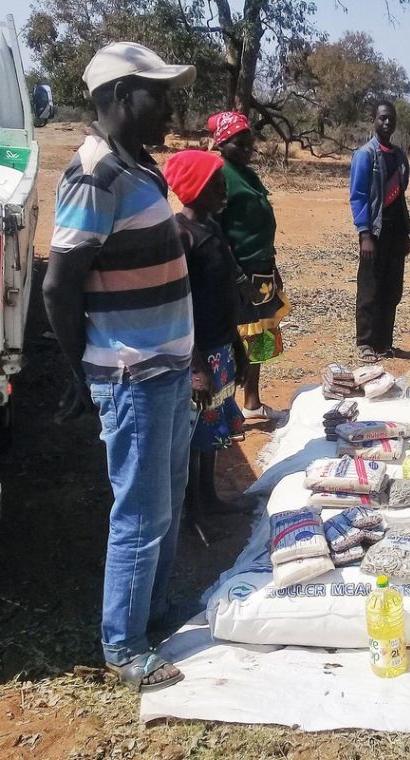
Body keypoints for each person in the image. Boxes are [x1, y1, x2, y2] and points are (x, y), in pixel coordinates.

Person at [42, 42, 197, 691]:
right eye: (154, 93)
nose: (166, 105)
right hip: (131, 372)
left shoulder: (141, 167)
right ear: (114, 98)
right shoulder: (94, 174)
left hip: (167, 366)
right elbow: (59, 285)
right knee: (140, 511)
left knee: (167, 499)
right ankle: (123, 643)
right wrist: (83, 374)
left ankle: (153, 610)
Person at [162, 150, 248, 545]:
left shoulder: (212, 228)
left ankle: (209, 497)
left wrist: (237, 346)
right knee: (194, 436)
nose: (222, 188)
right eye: (215, 182)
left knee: (212, 431)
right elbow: (181, 305)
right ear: (195, 188)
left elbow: (225, 293)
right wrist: (196, 365)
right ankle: (191, 511)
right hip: (201, 354)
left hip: (221, 346)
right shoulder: (181, 236)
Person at [209, 111, 290, 425]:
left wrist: (273, 263)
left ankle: (252, 402)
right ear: (223, 143)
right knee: (237, 339)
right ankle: (226, 409)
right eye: (239, 144)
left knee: (259, 338)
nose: (247, 150)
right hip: (239, 271)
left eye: (249, 144)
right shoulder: (221, 174)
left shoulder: (247, 174)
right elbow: (215, 229)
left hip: (261, 269)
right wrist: (236, 273)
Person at [349, 100, 410, 363]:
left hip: (396, 233)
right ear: (374, 120)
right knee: (369, 290)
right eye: (382, 118)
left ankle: (384, 342)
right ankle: (366, 342)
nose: (387, 123)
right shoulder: (365, 154)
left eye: (391, 119)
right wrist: (365, 234)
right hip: (374, 233)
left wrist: (406, 234)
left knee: (392, 289)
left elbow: (400, 195)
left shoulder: (398, 155)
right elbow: (358, 196)